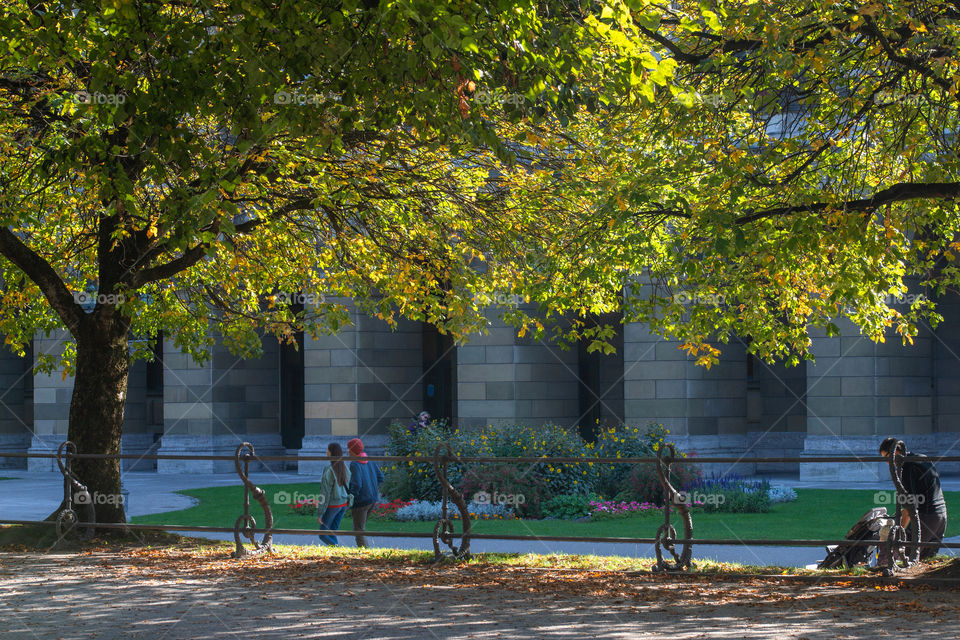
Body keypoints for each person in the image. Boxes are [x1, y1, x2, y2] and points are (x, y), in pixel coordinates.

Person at [879, 437, 948, 560]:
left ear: (896, 451)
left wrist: (898, 533)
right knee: (926, 560)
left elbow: (909, 507)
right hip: (941, 515)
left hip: (927, 517)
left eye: (887, 457)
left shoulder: (906, 467)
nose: (887, 462)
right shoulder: (921, 458)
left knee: (904, 555)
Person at [347, 437, 384, 548]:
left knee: (358, 530)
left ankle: (365, 553)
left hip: (361, 502)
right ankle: (365, 551)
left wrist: (351, 497)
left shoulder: (355, 464)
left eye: (349, 449)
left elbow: (356, 484)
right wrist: (371, 488)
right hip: (371, 499)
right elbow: (381, 477)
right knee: (361, 528)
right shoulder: (369, 460)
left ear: (353, 450)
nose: (347, 451)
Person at [317, 442, 352, 546]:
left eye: (327, 450)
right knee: (332, 531)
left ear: (332, 453)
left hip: (333, 505)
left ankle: (337, 549)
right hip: (343, 504)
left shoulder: (329, 470)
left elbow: (325, 492)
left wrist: (320, 513)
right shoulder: (345, 467)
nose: (326, 452)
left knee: (322, 534)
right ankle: (335, 552)